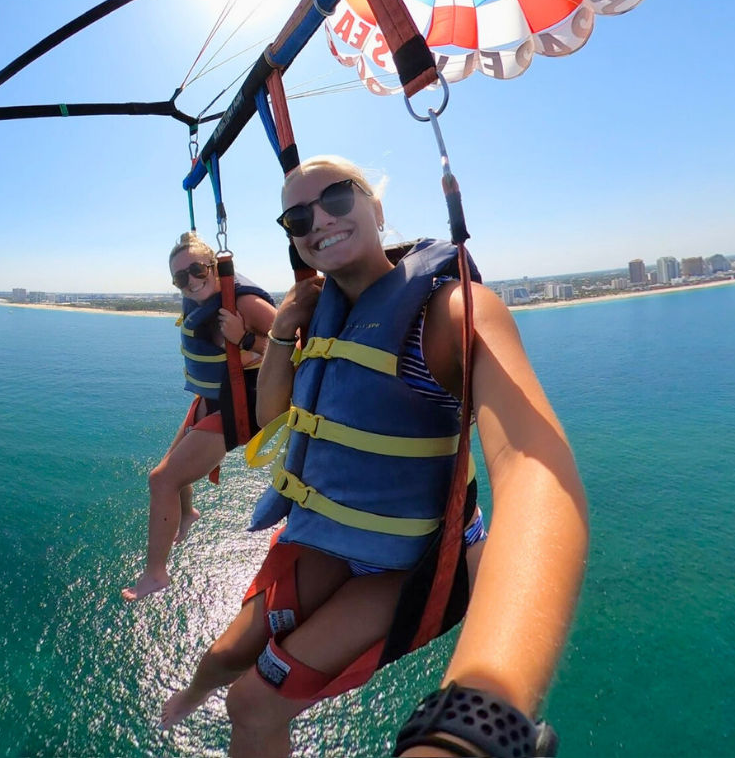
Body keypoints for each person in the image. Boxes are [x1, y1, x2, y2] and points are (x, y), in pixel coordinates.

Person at [158, 156, 589, 758]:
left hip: (406, 562)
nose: (318, 222)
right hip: (329, 533)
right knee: (226, 655)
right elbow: (270, 414)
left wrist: (485, 711)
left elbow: (536, 472)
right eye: (298, 217)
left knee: (251, 703)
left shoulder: (449, 312)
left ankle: (215, 698)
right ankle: (191, 692)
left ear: (377, 208)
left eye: (337, 198)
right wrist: (284, 330)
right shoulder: (320, 312)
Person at [122, 232, 278, 603]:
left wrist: (244, 340)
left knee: (161, 481)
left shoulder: (245, 302)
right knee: (169, 469)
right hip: (212, 397)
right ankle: (187, 513)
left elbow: (301, 347)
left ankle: (155, 574)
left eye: (197, 270)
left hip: (242, 403)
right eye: (180, 277)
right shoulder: (197, 296)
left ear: (214, 266)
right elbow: (194, 283)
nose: (190, 281)